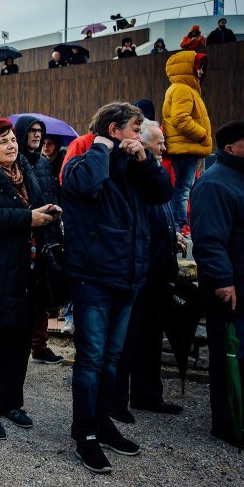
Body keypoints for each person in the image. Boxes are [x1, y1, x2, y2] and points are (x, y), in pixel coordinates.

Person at [61, 102, 172, 474]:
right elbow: (84, 185)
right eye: (135, 130)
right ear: (114, 130)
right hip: (92, 277)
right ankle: (85, 433)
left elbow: (162, 194)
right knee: (91, 359)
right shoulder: (84, 160)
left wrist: (144, 160)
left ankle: (103, 421)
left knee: (112, 357)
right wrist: (101, 148)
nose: (139, 137)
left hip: (129, 276)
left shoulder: (136, 166)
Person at [0, 119, 59, 441]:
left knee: (18, 346)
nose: (12, 146)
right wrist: (27, 217)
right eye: (3, 141)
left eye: (12, 140)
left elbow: (29, 208)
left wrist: (43, 211)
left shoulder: (25, 174)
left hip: (26, 273)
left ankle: (12, 403)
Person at [111, 120, 184, 424]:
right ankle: (116, 403)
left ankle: (147, 395)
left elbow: (163, 200)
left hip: (157, 272)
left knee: (151, 338)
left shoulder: (152, 170)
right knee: (125, 343)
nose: (164, 148)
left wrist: (173, 236)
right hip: (138, 271)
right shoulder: (130, 169)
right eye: (159, 142)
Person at [190, 120, 244, 449]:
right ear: (230, 148)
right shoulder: (214, 183)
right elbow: (209, 240)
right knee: (231, 357)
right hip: (230, 290)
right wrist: (223, 280)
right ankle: (230, 425)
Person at [13, 116, 65, 365]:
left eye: (40, 132)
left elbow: (52, 192)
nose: (36, 135)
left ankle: (39, 345)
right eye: (32, 131)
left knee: (43, 293)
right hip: (23, 233)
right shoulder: (13, 161)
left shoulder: (44, 163)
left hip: (46, 233)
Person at [162, 50, 212, 232]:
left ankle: (179, 223)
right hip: (186, 147)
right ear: (188, 68)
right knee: (183, 188)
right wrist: (201, 135)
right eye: (199, 67)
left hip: (187, 147)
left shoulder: (184, 88)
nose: (201, 72)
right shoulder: (182, 89)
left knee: (185, 187)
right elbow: (180, 118)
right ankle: (179, 224)